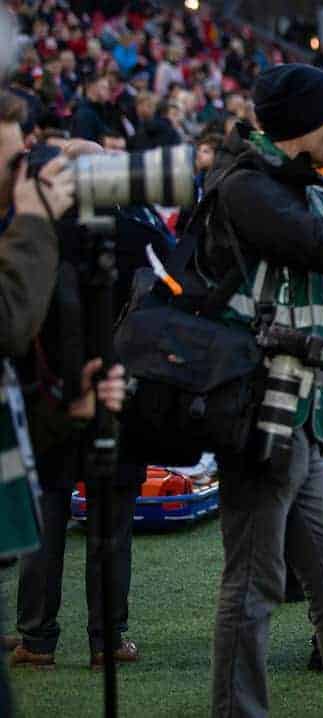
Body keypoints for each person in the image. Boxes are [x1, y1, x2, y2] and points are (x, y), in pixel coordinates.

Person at [196, 63, 323, 718]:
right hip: (262, 411)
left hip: (300, 413)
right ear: (310, 124)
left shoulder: (286, 183)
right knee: (252, 586)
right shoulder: (246, 187)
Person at [0, 91, 125, 700]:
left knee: (52, 514)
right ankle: (103, 637)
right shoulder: (56, 235)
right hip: (71, 401)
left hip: (61, 402)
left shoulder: (41, 235)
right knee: (84, 514)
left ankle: (40, 636)